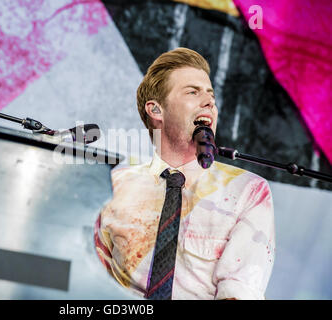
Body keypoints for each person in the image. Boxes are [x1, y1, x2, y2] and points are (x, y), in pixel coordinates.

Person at [94, 47, 275, 300]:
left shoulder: (247, 191)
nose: (209, 102)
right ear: (156, 110)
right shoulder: (114, 185)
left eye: (211, 95)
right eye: (193, 91)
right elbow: (88, 282)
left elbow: (239, 293)